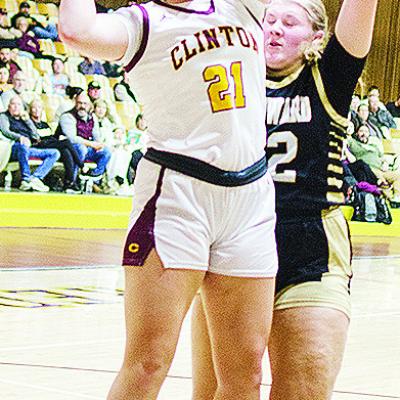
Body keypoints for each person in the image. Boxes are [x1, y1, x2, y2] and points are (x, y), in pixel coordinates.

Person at [59, 0, 277, 399]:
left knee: (246, 371)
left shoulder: (241, 5)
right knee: (148, 363)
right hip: (177, 194)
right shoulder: (140, 22)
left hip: (251, 198)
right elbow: (76, 31)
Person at [191, 1, 379, 400]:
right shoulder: (231, 75)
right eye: (268, 20)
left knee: (302, 391)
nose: (274, 29)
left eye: (289, 22)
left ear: (316, 37)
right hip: (233, 244)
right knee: (216, 393)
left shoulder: (330, 76)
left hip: (309, 247)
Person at [0, 95, 60, 191]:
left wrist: (27, 120)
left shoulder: (24, 119)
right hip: (11, 148)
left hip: (27, 149)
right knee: (22, 147)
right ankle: (26, 179)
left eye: (18, 104)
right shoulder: (4, 116)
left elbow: (36, 136)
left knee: (54, 153)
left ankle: (36, 178)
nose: (15, 107)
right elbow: (5, 131)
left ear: (22, 108)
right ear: (9, 106)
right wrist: (20, 137)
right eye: (13, 104)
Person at [29, 98, 83, 192]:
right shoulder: (29, 123)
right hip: (38, 146)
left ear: (42, 110)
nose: (37, 110)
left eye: (39, 107)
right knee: (66, 143)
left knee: (66, 151)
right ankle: (82, 166)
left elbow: (51, 138)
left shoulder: (45, 124)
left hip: (49, 144)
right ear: (30, 110)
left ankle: (69, 183)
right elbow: (35, 140)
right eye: (34, 108)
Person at [57, 92, 111, 179]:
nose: (82, 106)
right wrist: (91, 144)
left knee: (106, 152)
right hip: (69, 149)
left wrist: (99, 145)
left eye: (85, 103)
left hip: (88, 149)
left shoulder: (92, 117)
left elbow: (96, 135)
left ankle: (93, 175)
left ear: (89, 105)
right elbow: (71, 138)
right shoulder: (67, 116)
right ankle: (72, 181)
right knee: (81, 148)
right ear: (75, 103)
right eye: (79, 103)